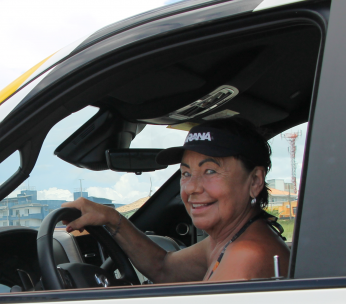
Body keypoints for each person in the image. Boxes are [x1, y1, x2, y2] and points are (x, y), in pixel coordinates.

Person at [62, 120, 289, 284]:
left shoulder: (247, 253)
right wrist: (112, 218)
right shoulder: (228, 239)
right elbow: (164, 268)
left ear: (255, 181)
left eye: (210, 171)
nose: (191, 188)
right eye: (186, 173)